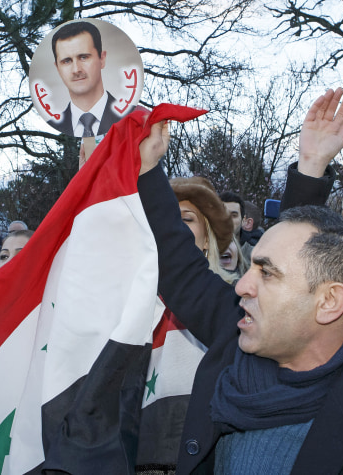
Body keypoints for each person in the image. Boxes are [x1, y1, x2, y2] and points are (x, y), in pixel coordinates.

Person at [136, 88, 343, 474]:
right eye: (251, 269)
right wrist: (147, 171)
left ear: (330, 302)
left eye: (265, 273)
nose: (242, 286)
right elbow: (184, 263)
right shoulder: (236, 332)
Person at [136, 176, 233, 472]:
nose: (172, 230)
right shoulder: (128, 304)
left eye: (186, 219)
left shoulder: (236, 301)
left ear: (207, 238)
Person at [48, 21, 133, 137]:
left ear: (102, 59)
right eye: (67, 61)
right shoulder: (55, 125)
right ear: (57, 68)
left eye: (83, 57)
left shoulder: (132, 118)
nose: (76, 69)